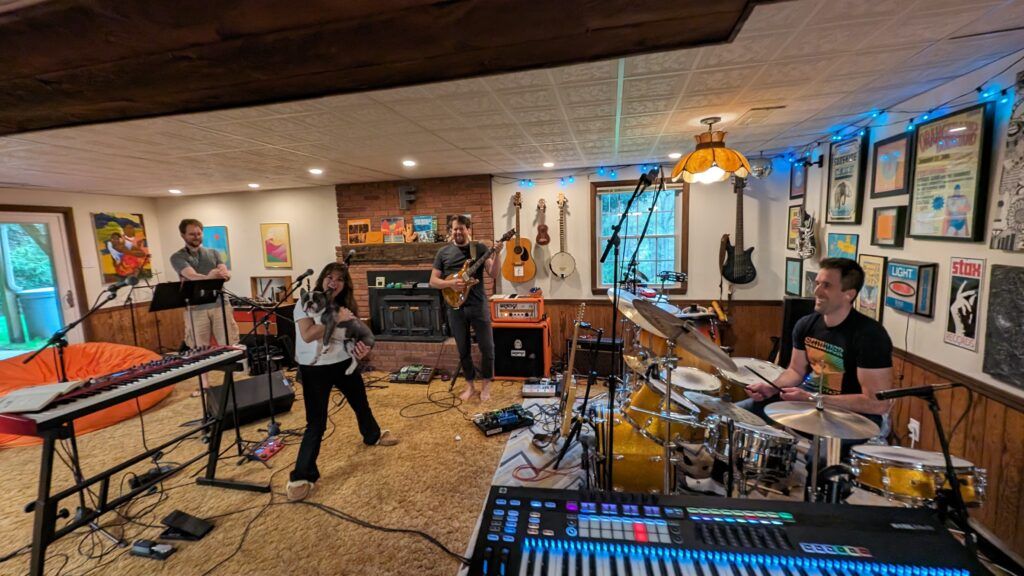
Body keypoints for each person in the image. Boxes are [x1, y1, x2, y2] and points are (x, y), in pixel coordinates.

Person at [743, 258, 893, 480]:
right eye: (818, 283)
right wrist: (772, 388)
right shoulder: (807, 324)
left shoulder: (870, 335)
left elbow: (878, 403)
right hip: (809, 403)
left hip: (853, 417)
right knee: (735, 414)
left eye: (827, 286)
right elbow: (794, 371)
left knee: (821, 460)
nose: (817, 291)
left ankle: (821, 509)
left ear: (848, 294)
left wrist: (813, 398)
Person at [287, 262, 398, 502]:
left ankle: (373, 435)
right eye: (329, 277)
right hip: (314, 368)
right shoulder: (304, 303)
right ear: (322, 280)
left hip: (342, 362)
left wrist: (361, 348)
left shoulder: (345, 306)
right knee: (316, 423)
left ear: (344, 284)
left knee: (361, 405)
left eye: (339, 279)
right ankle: (301, 475)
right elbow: (307, 335)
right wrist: (335, 318)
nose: (333, 282)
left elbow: (357, 336)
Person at [429, 215, 501, 402]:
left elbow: (493, 273)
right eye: (455, 229)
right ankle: (470, 386)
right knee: (463, 349)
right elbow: (433, 281)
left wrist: (498, 254)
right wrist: (451, 284)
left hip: (478, 305)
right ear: (450, 231)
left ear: (469, 229)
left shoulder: (480, 249)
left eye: (462, 228)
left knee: (488, 347)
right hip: (454, 307)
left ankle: (486, 387)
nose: (458, 232)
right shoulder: (443, 253)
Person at [169, 219, 240, 350]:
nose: (196, 237)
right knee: (199, 348)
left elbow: (226, 274)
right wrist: (211, 276)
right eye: (192, 234)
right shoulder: (177, 257)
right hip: (196, 307)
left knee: (230, 344)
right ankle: (203, 371)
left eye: (199, 233)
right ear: (183, 235)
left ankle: (235, 371)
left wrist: (223, 275)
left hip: (220, 304)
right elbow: (191, 275)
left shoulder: (214, 253)